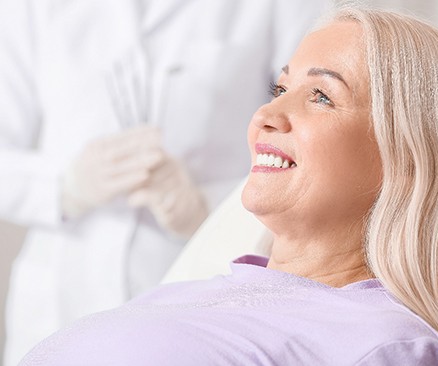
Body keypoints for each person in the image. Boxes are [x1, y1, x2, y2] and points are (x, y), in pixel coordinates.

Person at [17, 4, 438, 365]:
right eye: (280, 90)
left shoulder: (384, 345)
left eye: (321, 96)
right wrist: (65, 188)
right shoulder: (183, 294)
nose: (264, 115)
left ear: (411, 156)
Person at [0, 0, 330, 364]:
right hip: (56, 297)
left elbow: (318, 140)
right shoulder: (28, 8)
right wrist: (64, 187)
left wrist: (206, 207)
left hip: (196, 280)